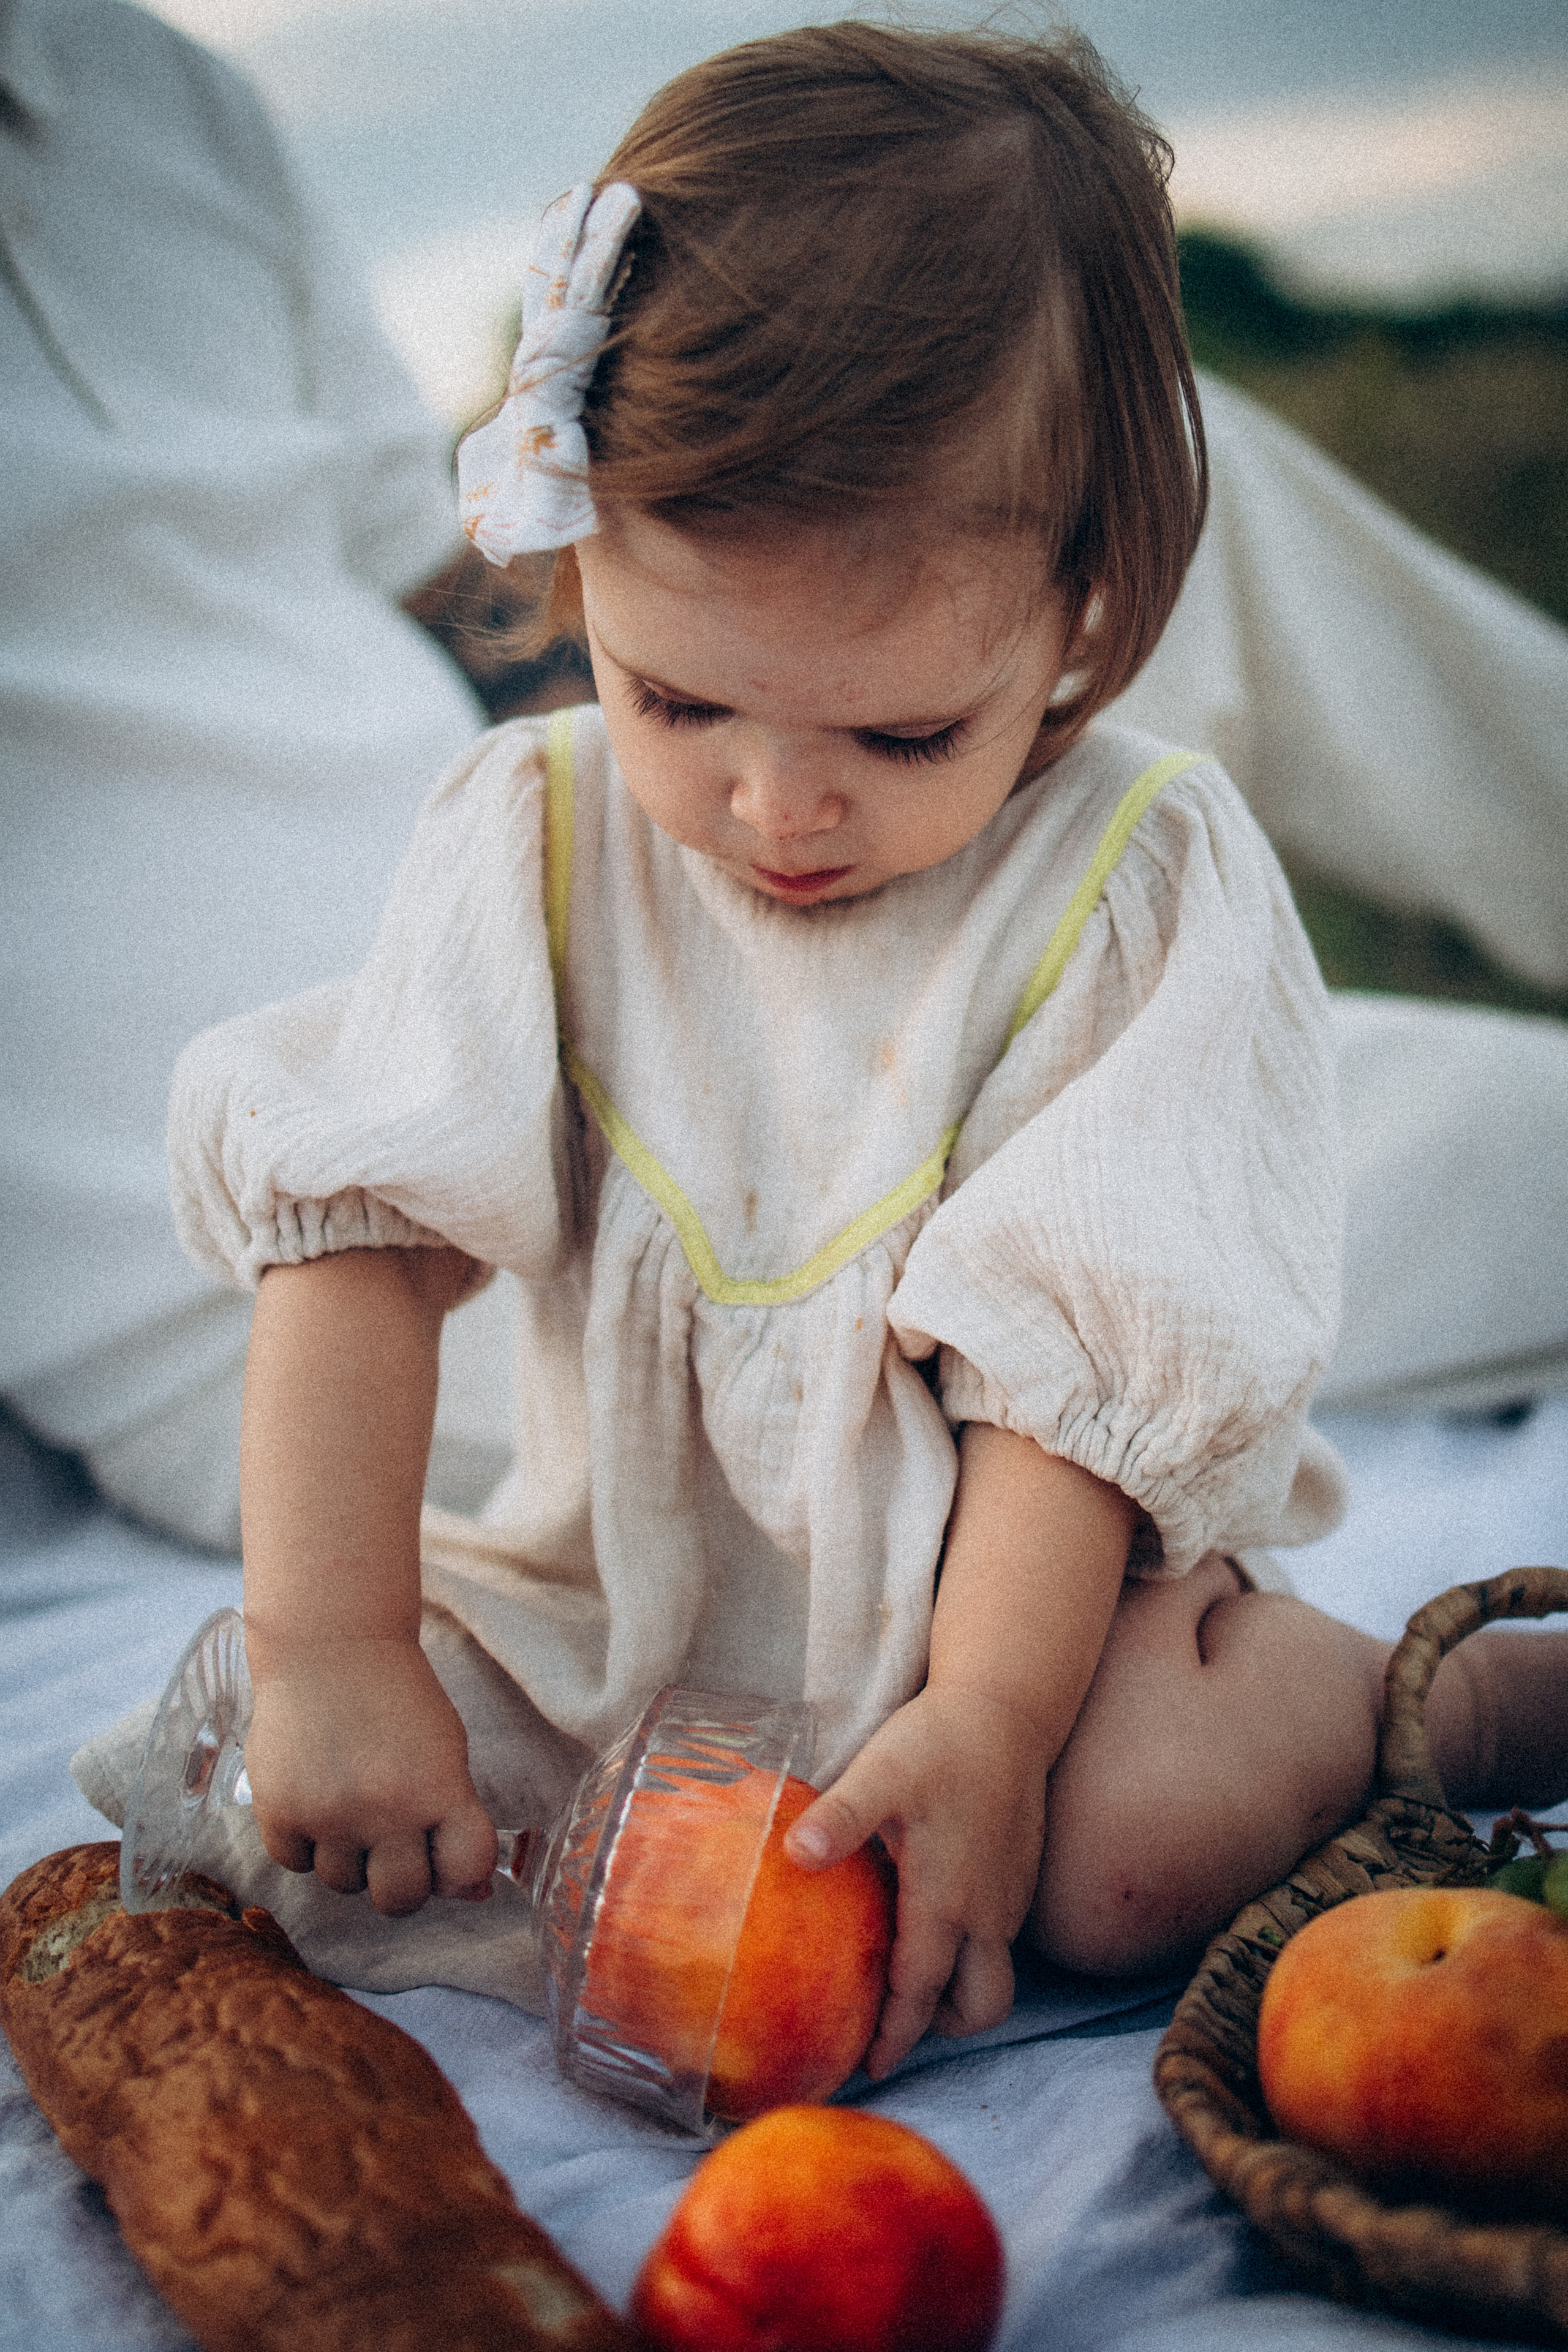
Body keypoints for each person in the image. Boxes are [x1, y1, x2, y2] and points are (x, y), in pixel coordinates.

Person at [162, 23, 1566, 2068]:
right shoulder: (534, 841)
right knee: (300, 1816)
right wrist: (333, 1645)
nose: (776, 810)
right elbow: (354, 1253)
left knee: (1121, 1864)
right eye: (678, 703)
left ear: (1088, 605)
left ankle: (1455, 1696)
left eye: (901, 733)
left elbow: (1074, 1381)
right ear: (578, 578)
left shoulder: (1130, 878)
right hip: (628, 1612)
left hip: (1034, 1600)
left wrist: (987, 1726)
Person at [0, 0, 507, 1548]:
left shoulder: (151, 83)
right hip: (274, 1295)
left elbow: (432, 571)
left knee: (1062, 444)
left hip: (561, 1031)